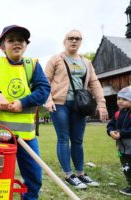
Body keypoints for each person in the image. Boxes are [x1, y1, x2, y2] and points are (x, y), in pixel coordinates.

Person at [0, 25, 51, 200]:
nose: (16, 43)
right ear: (2, 47)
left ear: (26, 45)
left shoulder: (33, 65)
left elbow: (44, 90)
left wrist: (23, 103)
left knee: (34, 175)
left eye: (21, 40)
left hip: (26, 136)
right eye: (11, 40)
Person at [44, 29, 108, 189]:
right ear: (64, 41)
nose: (74, 41)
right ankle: (69, 174)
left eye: (78, 39)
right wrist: (48, 99)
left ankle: (80, 173)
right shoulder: (56, 59)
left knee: (78, 140)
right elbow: (45, 80)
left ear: (81, 42)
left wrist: (101, 103)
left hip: (80, 105)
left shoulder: (86, 62)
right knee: (64, 138)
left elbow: (94, 83)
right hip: (59, 104)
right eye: (71, 38)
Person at [107, 86, 131, 196]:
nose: (120, 101)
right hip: (122, 148)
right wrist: (111, 131)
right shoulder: (118, 113)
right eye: (119, 98)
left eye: (124, 99)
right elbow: (111, 124)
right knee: (126, 167)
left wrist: (121, 133)